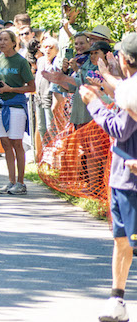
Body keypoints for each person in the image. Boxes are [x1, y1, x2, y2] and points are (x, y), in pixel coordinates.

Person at [76, 33, 137, 322]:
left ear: (124, 59)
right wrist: (106, 78)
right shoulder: (128, 88)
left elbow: (120, 129)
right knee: (122, 240)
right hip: (121, 178)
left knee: (129, 241)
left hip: (131, 181)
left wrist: (93, 102)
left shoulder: (133, 93)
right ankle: (117, 300)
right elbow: (122, 90)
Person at [0, 29, 35, 195]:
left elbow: (32, 87)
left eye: (5, 39)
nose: (1, 42)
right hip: (1, 105)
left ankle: (21, 183)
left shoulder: (21, 62)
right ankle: (11, 181)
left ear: (13, 42)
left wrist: (12, 89)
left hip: (16, 106)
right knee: (5, 144)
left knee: (17, 143)